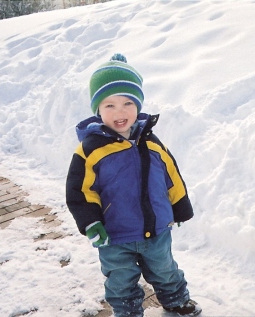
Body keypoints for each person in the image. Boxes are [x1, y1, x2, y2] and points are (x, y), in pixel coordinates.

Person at [66, 53, 202, 317]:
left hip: (157, 229)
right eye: (110, 105)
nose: (120, 112)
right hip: (115, 236)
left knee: (165, 269)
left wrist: (180, 206)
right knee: (120, 280)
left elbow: (171, 174)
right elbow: (80, 192)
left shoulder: (151, 141)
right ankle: (127, 311)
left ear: (138, 105)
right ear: (98, 110)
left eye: (128, 103)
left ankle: (176, 300)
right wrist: (91, 222)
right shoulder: (90, 150)